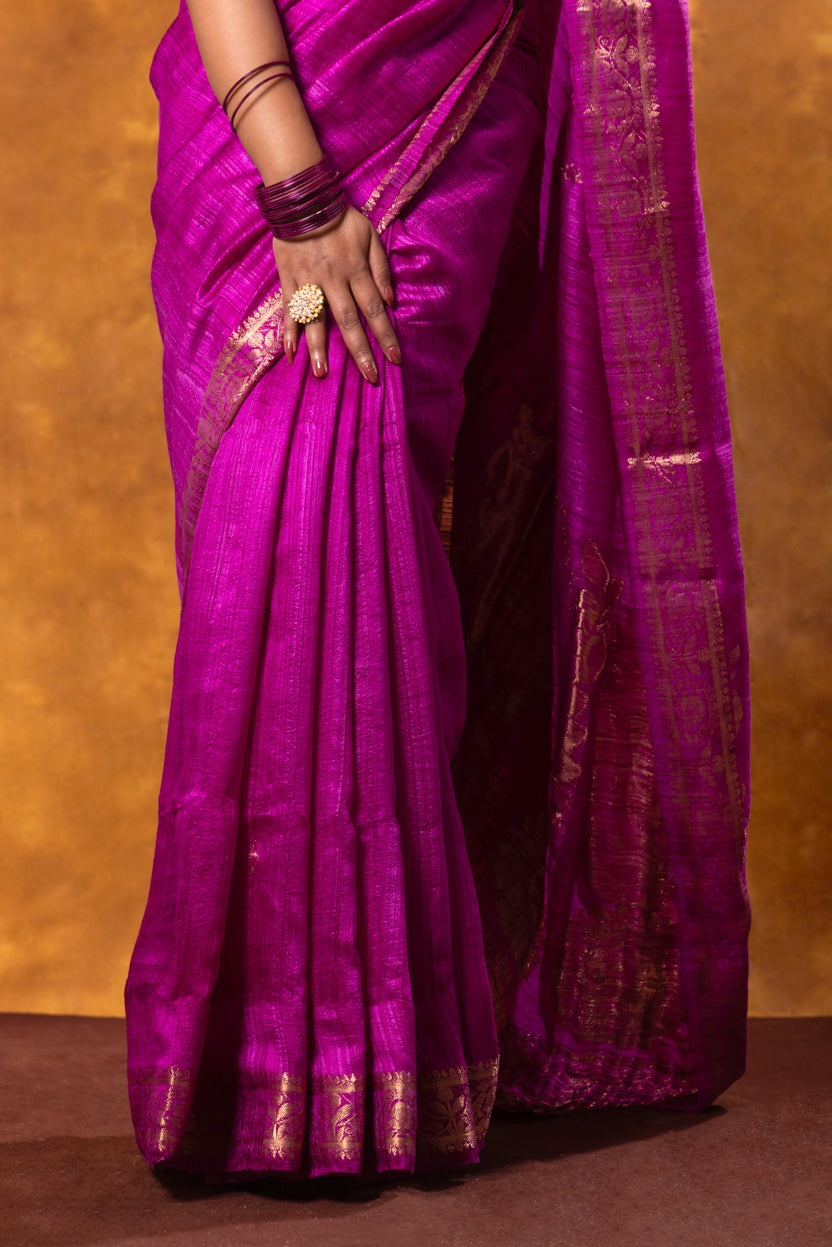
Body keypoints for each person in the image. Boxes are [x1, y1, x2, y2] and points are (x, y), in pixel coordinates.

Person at [125, 0, 751, 1182]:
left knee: (369, 562)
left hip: (453, 111)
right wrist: (299, 190)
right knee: (260, 558)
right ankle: (252, 1070)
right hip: (274, 120)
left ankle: (380, 1061)